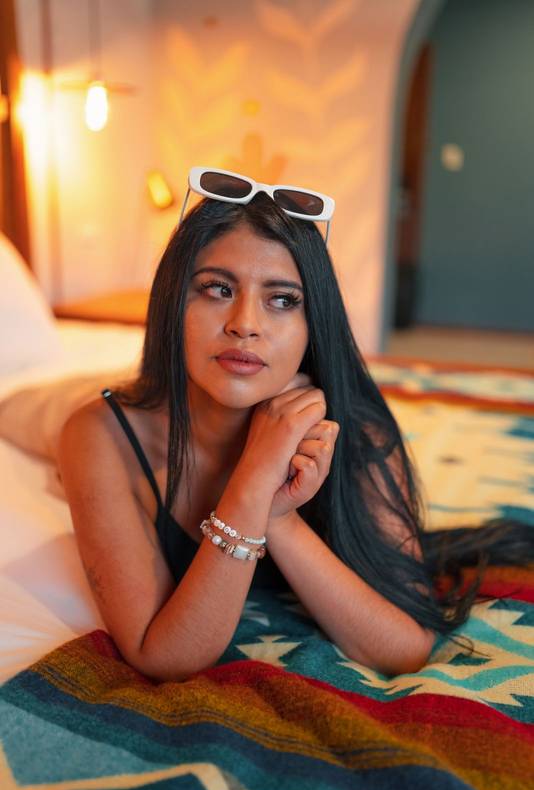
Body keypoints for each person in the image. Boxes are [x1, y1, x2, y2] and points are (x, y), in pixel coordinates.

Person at [58, 168, 533, 683]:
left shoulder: (359, 430)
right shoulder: (100, 437)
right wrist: (253, 477)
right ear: (174, 302)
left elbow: (407, 647)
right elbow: (164, 655)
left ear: (314, 326)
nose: (245, 323)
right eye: (217, 289)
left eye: (282, 299)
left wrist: (279, 516)